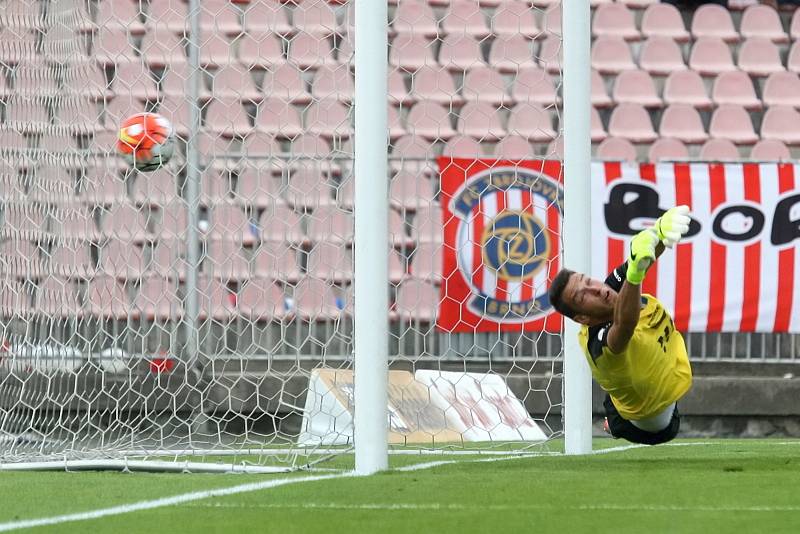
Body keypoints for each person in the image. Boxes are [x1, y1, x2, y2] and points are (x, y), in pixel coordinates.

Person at [548, 206, 694, 445]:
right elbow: (625, 324)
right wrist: (635, 275)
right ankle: (612, 424)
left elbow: (642, 257)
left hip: (639, 385)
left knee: (618, 393)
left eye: (588, 280)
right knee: (618, 407)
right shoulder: (601, 344)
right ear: (582, 319)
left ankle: (613, 410)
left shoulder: (607, 290)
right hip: (652, 424)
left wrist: (658, 231)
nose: (596, 289)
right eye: (582, 296)